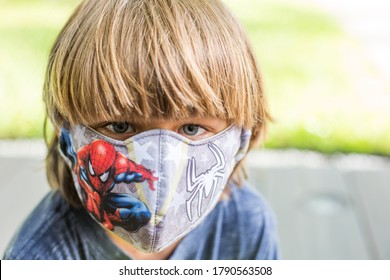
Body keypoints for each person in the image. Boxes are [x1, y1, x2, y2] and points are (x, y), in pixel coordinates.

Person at [4, 0, 279, 260]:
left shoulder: (246, 226)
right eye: (121, 126)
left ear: (243, 136)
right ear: (67, 136)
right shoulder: (39, 256)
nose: (160, 161)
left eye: (192, 128)